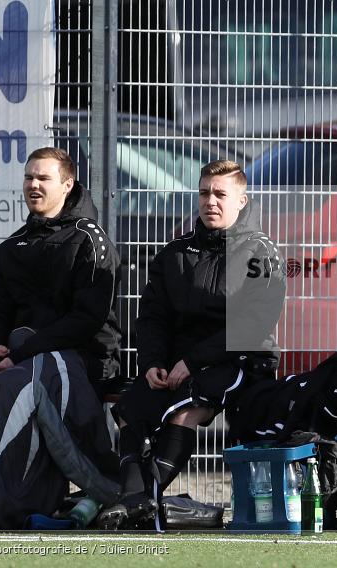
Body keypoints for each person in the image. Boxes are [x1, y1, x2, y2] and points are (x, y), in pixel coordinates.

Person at [100, 160, 285, 530]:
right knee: (129, 412)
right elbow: (152, 316)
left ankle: (141, 502)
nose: (210, 201)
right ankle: (134, 502)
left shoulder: (261, 253)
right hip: (179, 362)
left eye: (220, 194)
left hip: (241, 360)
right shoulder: (175, 253)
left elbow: (252, 325)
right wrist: (152, 362)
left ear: (242, 201)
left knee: (183, 411)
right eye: (204, 193)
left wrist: (193, 361)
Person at [0, 146, 122, 529]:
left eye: (43, 178)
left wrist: (22, 352)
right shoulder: (13, 246)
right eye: (29, 177)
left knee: (20, 386)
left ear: (67, 184)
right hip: (21, 355)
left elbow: (85, 321)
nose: (33, 185)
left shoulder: (91, 241)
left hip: (81, 359)